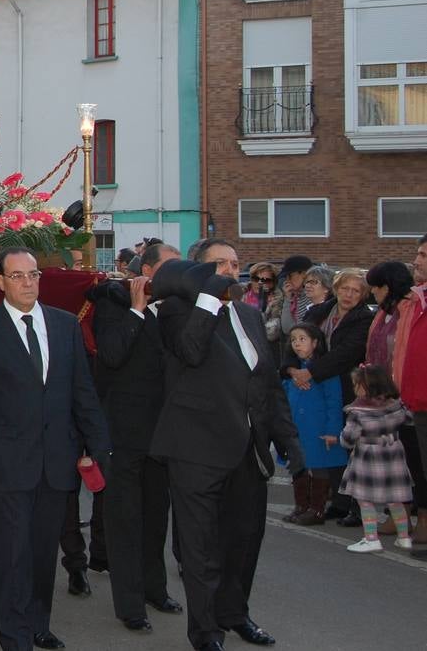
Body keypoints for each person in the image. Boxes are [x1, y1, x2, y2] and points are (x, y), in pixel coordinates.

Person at [0, 247, 110, 651]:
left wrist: (100, 445)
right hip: (5, 465)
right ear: (1, 282)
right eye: (17, 276)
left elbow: (82, 392)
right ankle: (14, 635)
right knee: (12, 556)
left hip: (56, 462)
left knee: (42, 553)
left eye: (33, 275)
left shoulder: (64, 326)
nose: (27, 283)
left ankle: (39, 623)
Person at [151, 239, 304, 651]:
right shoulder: (176, 312)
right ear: (197, 271)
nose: (229, 270)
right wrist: (206, 300)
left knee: (243, 542)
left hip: (248, 450)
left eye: (235, 264)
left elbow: (268, 386)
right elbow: (190, 352)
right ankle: (206, 633)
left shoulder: (251, 315)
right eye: (219, 264)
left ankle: (235, 615)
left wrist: (290, 443)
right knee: (202, 550)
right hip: (195, 450)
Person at [88, 241, 183, 634]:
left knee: (156, 517)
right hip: (123, 432)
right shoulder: (113, 302)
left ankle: (154, 589)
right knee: (125, 520)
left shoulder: (180, 309)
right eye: (170, 268)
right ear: (145, 271)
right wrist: (137, 311)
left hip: (163, 433)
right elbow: (111, 354)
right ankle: (130, 605)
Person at [287, 267, 373, 526]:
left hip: (345, 386)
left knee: (346, 445)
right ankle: (336, 501)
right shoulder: (318, 311)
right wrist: (291, 370)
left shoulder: (363, 320)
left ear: (363, 294)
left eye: (355, 290)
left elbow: (346, 354)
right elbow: (295, 337)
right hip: (308, 387)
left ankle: (355, 507)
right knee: (320, 445)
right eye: (344, 288)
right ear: (335, 289)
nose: (348, 294)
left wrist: (310, 373)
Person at [339, 365, 415, 553]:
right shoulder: (395, 404)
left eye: (357, 384)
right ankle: (404, 537)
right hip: (393, 454)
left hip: (368, 457)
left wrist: (341, 439)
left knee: (365, 500)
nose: (355, 388)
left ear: (367, 387)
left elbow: (348, 439)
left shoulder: (358, 412)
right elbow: (409, 419)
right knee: (395, 499)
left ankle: (371, 538)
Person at [280, 325, 347, 526]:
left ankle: (317, 509)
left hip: (318, 427)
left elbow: (334, 402)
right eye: (294, 340)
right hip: (296, 427)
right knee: (298, 466)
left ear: (315, 343)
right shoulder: (291, 371)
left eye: (303, 339)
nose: (297, 344)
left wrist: (332, 430)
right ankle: (301, 506)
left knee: (319, 467)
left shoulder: (324, 370)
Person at [393, 235, 427, 557]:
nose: (417, 260)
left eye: (424, 255)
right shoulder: (416, 299)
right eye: (418, 253)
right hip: (418, 401)